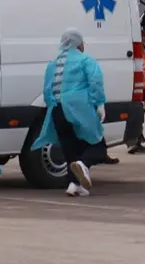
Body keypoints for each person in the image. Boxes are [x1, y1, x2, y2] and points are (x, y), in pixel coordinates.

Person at [31, 28, 110, 196]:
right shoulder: (86, 60)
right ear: (79, 44)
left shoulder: (53, 64)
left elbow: (47, 91)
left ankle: (74, 185)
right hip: (80, 107)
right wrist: (99, 104)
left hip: (57, 109)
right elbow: (95, 81)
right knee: (98, 147)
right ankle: (83, 164)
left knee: (70, 148)